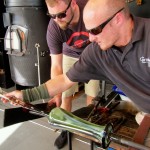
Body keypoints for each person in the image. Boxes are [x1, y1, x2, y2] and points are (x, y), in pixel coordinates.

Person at [2, 0, 150, 147]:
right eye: (88, 30)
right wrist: (26, 95)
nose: (90, 38)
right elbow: (65, 80)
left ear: (117, 19)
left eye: (95, 30)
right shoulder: (97, 52)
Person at [45, 0, 101, 148]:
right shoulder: (54, 28)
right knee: (65, 94)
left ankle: (90, 128)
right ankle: (66, 128)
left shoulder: (90, 9)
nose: (57, 20)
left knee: (93, 94)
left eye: (61, 14)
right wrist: (56, 93)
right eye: (52, 16)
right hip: (69, 54)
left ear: (74, 4)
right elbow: (56, 65)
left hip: (92, 54)